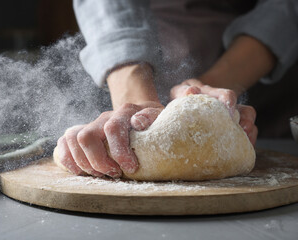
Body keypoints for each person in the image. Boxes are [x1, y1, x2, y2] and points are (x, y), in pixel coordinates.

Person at [56, 0, 298, 178]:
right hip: (138, 55)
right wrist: (135, 100)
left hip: (261, 70)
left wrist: (210, 94)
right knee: (119, 141)